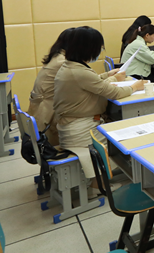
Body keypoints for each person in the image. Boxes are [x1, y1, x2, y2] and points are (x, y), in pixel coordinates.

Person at [53, 26, 144, 178]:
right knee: (129, 138)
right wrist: (135, 86)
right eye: (99, 48)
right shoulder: (79, 71)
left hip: (73, 125)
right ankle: (120, 175)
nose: (100, 51)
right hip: (80, 131)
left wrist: (108, 75)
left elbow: (92, 82)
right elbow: (114, 93)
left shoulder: (71, 66)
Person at [28, 28, 74, 146]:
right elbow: (83, 83)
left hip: (41, 110)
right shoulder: (63, 62)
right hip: (48, 116)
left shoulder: (56, 56)